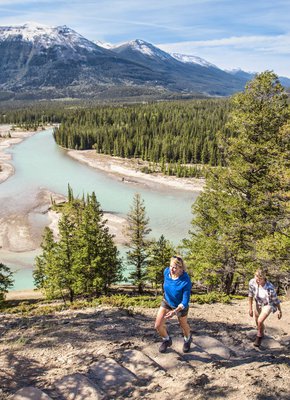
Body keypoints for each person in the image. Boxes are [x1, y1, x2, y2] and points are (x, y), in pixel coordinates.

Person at [154, 255, 192, 353]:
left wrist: (174, 312)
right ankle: (167, 340)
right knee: (158, 325)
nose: (172, 269)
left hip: (180, 306)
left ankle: (187, 339)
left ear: (181, 268)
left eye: (175, 267)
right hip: (167, 302)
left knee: (183, 325)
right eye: (171, 266)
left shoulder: (185, 281)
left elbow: (185, 301)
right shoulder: (166, 272)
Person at [248, 268, 282, 347]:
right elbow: (250, 296)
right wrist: (250, 309)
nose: (258, 279)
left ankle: (259, 337)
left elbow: (276, 300)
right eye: (256, 276)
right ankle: (262, 332)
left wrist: (280, 311)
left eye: (260, 278)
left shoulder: (269, 287)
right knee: (257, 321)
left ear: (264, 278)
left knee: (260, 321)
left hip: (268, 304)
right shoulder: (252, 282)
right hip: (258, 303)